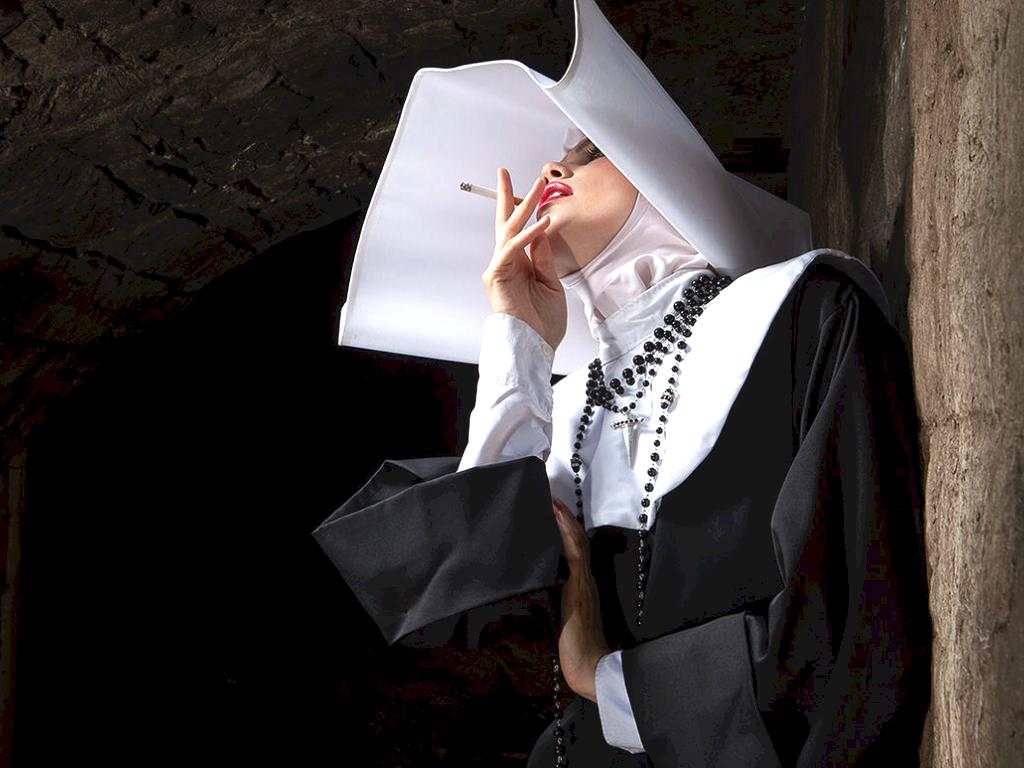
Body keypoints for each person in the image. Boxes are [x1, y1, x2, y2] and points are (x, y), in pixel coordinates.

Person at [311, 132, 933, 767]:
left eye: (589, 152)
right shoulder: (557, 415)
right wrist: (517, 341)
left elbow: (847, 620)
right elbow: (466, 635)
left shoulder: (805, 314)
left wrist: (607, 682)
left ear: (673, 172)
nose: (551, 168)